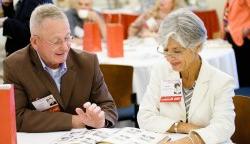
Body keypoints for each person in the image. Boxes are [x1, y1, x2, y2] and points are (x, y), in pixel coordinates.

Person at [3, 4, 117, 132]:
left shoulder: (87, 62)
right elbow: (16, 117)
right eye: (56, 41)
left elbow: (108, 107)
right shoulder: (15, 65)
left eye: (67, 38)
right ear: (35, 42)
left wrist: (101, 120)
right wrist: (75, 121)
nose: (65, 47)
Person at [137, 9, 235, 143]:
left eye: (177, 51)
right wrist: (182, 127)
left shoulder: (221, 82)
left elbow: (224, 126)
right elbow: (144, 116)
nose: (170, 58)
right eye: (166, 50)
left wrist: (191, 140)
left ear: (198, 46)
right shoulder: (161, 71)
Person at [223, 0, 250, 87]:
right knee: (238, 70)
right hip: (232, 35)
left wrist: (247, 29)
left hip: (243, 37)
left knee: (245, 73)